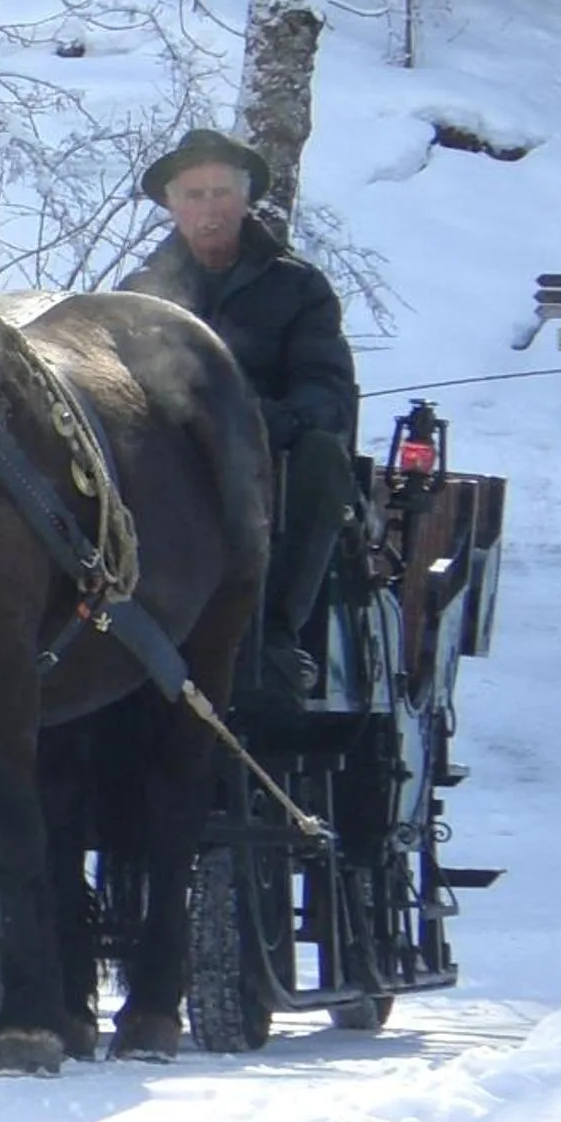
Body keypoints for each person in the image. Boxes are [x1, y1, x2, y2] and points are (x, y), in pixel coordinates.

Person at [120, 128, 358, 703]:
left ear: (245, 199)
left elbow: (327, 388)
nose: (209, 209)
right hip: (168, 452)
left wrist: (264, 423)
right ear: (172, 205)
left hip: (271, 451)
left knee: (323, 460)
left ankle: (276, 630)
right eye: (195, 195)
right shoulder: (138, 295)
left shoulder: (299, 287)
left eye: (220, 193)